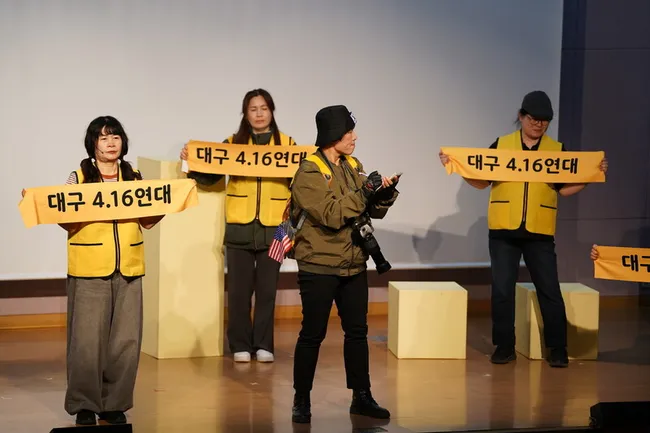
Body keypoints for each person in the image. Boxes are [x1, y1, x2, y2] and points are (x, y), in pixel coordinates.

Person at [439, 91, 608, 368]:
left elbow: (564, 190)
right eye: (533, 118)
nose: (538, 124)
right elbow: (482, 181)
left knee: (549, 289)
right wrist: (456, 166)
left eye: (544, 120)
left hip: (539, 231)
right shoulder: (502, 145)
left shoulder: (557, 150)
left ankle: (558, 348)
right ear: (521, 116)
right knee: (502, 290)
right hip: (504, 230)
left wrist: (591, 175)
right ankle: (504, 346)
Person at [289, 105, 399, 423]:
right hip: (319, 264)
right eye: (349, 132)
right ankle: (301, 398)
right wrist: (364, 193)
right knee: (312, 334)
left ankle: (361, 397)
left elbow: (369, 210)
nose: (355, 137)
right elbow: (332, 214)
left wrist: (383, 194)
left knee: (357, 333)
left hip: (353, 262)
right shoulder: (308, 172)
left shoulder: (353, 165)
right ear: (333, 134)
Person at [59, 116, 163, 426]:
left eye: (115, 136)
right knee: (86, 342)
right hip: (89, 269)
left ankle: (114, 404)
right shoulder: (79, 177)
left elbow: (148, 220)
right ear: (93, 143)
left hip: (129, 268)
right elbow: (63, 218)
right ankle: (84, 404)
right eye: (103, 137)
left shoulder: (134, 176)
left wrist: (167, 202)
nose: (110, 142)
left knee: (126, 342)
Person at [180, 89, 296, 363]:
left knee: (267, 291)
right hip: (238, 227)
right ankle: (240, 344)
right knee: (239, 292)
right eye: (253, 109)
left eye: (264, 108)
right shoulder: (232, 144)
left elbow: (299, 183)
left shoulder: (288, 145)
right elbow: (210, 175)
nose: (259, 114)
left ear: (272, 111)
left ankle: (264, 344)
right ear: (245, 113)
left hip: (277, 230)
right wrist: (189, 160)